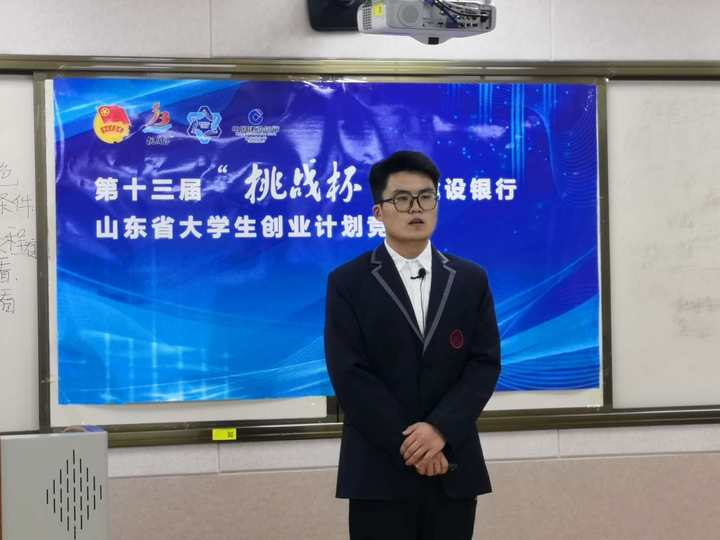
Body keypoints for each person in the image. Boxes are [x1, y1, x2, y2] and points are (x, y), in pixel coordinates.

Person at [324, 150, 501, 540]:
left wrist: (440, 430)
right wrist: (414, 446)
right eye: (402, 199)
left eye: (426, 197)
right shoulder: (348, 282)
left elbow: (484, 364)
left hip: (452, 465)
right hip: (378, 472)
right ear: (378, 212)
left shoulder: (470, 279)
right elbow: (350, 375)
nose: (416, 208)